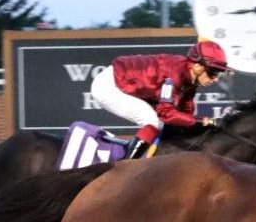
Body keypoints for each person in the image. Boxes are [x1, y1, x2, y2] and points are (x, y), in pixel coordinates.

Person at [91, 39, 234, 159]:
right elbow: (166, 114)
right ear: (197, 67)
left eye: (218, 74)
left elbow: (186, 113)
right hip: (109, 86)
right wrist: (202, 122)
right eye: (213, 73)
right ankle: (125, 167)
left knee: (168, 124)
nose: (215, 79)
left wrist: (197, 125)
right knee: (153, 122)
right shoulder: (172, 77)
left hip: (128, 83)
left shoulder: (189, 78)